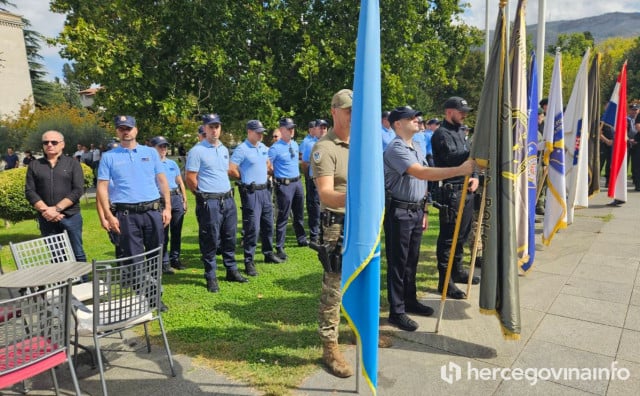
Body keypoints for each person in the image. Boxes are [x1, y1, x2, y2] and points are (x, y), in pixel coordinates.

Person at [383, 106, 476, 332]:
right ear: (397, 124)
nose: (417, 119)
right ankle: (397, 311)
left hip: (415, 210)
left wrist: (424, 210)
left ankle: (410, 300)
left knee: (411, 260)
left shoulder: (416, 145)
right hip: (400, 211)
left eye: (417, 116)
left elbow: (423, 183)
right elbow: (422, 173)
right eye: (411, 118)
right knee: (398, 262)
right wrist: (459, 169)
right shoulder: (396, 148)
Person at [96, 115, 172, 311]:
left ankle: (156, 293)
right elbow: (102, 188)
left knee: (156, 254)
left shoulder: (150, 153)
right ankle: (149, 297)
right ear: (117, 132)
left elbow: (162, 181)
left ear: (136, 130)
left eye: (128, 128)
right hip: (127, 215)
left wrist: (168, 207)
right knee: (135, 259)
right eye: (121, 128)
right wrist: (108, 215)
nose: (125, 131)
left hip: (152, 211)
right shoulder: (109, 157)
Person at [186, 113, 248, 293]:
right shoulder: (197, 150)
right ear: (204, 129)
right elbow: (190, 178)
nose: (214, 130)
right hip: (210, 201)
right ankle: (210, 275)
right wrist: (201, 195)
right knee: (210, 239)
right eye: (211, 127)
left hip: (227, 199)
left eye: (217, 126)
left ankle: (231, 270)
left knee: (229, 237)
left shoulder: (222, 148)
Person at [431, 96, 480, 300]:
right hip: (451, 192)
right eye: (461, 111)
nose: (464, 115)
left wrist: (476, 176)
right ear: (449, 111)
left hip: (467, 189)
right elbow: (453, 158)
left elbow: (470, 160)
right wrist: (475, 155)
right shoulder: (440, 134)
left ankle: (457, 270)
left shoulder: (460, 131)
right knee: (449, 238)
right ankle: (445, 282)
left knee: (463, 234)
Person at [229, 120, 284, 277]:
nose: (260, 134)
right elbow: (231, 169)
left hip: (265, 190)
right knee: (253, 227)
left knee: (268, 224)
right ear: (249, 132)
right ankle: (249, 260)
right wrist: (244, 178)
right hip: (251, 192)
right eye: (257, 132)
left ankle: (268, 253)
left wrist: (269, 170)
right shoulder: (241, 149)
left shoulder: (263, 148)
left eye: (261, 132)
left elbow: (267, 164)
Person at [25, 130, 87, 265]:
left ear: (62, 144)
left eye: (54, 142)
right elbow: (30, 191)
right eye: (46, 142)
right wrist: (46, 211)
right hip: (46, 218)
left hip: (71, 216)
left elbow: (78, 190)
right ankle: (64, 285)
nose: (49, 145)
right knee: (57, 257)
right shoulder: (34, 165)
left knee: (78, 253)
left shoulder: (73, 164)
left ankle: (83, 283)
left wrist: (57, 209)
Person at [269, 117, 308, 260]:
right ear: (281, 130)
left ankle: (301, 238)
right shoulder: (275, 148)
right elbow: (267, 164)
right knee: (283, 216)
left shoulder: (294, 145)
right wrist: (275, 174)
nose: (292, 130)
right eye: (289, 128)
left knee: (298, 214)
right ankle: (279, 247)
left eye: (293, 128)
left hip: (297, 182)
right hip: (284, 185)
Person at [152, 136, 188, 272]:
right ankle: (164, 261)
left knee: (176, 231)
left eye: (165, 146)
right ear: (153, 148)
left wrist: (184, 199)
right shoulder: (151, 164)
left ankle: (175, 259)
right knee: (163, 232)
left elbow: (180, 182)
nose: (163, 149)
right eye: (160, 146)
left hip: (176, 197)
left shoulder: (172, 164)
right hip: (161, 200)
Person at [300, 119, 323, 243]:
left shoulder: (329, 142)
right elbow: (304, 163)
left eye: (324, 127)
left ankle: (323, 231)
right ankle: (315, 234)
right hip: (313, 179)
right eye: (319, 127)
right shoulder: (309, 143)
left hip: (326, 179)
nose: (321, 130)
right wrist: (308, 176)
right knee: (314, 205)